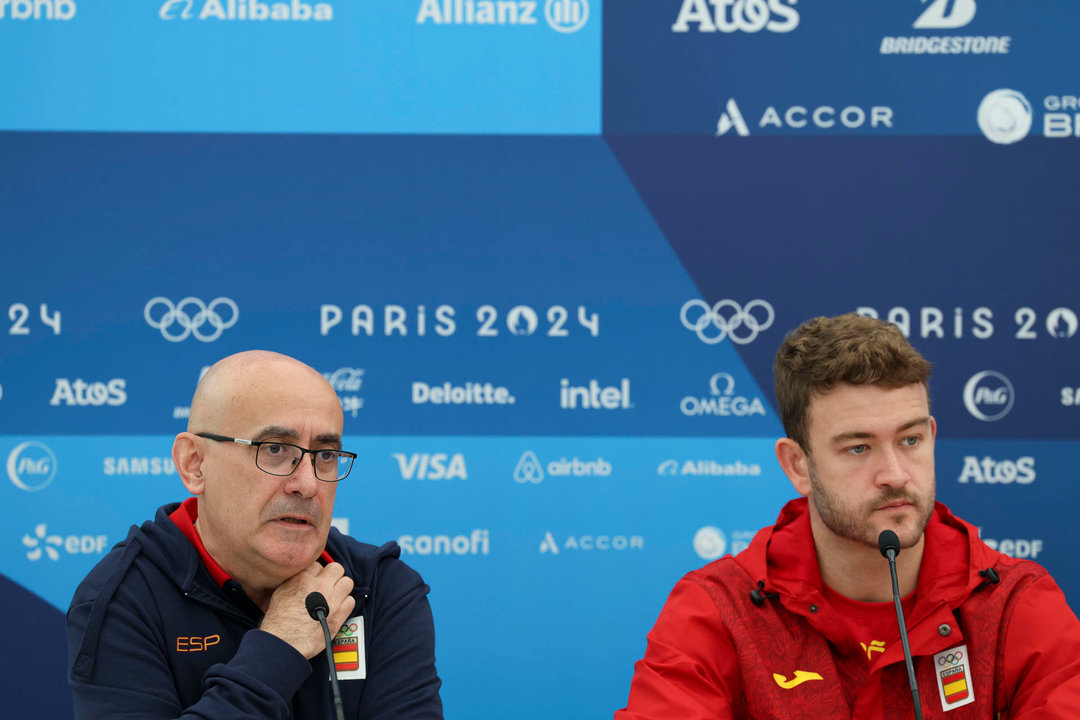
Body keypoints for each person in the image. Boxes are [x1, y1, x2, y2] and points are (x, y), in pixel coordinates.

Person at [615, 314, 1080, 719]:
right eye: (859, 448)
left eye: (910, 440)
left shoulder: (1014, 603)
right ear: (798, 465)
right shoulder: (719, 612)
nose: (895, 474)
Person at [67, 350, 443, 719]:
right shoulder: (122, 600)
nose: (308, 484)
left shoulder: (380, 588)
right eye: (276, 449)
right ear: (194, 464)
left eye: (325, 456)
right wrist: (280, 646)